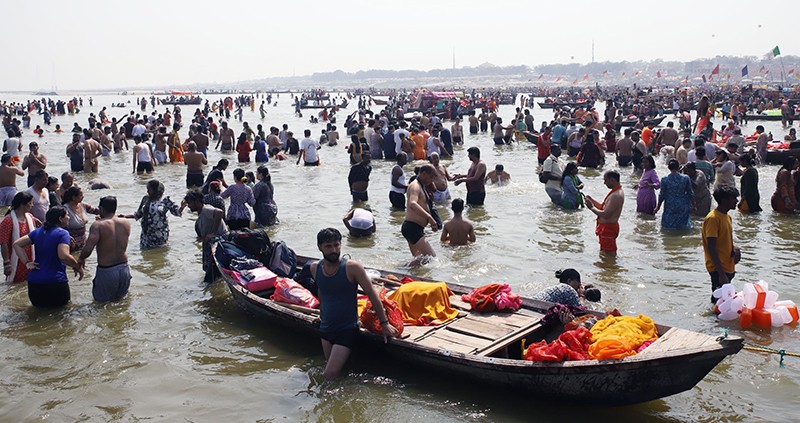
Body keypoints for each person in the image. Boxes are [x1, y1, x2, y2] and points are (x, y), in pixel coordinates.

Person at [310, 228, 398, 379]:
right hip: (326, 329)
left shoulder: (352, 268)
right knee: (334, 372)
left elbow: (372, 294)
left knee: (329, 374)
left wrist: (384, 323)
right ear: (320, 247)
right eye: (328, 246)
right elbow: (322, 292)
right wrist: (321, 314)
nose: (334, 250)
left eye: (336, 245)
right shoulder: (315, 268)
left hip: (346, 329)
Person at [12, 206, 83, 307]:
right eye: (67, 215)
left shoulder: (38, 231)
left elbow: (17, 244)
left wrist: (27, 263)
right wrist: (77, 266)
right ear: (60, 219)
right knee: (60, 316)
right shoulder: (63, 233)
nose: (69, 218)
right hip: (54, 282)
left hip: (34, 282)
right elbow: (63, 256)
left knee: (38, 314)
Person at [77, 196, 132, 302]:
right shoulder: (126, 222)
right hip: (124, 269)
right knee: (122, 302)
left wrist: (80, 259)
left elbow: (88, 249)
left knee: (101, 306)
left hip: (107, 270)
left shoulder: (98, 225)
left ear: (101, 209)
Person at [702, 186, 741, 302]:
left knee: (725, 300)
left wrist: (735, 249)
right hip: (718, 268)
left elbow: (724, 239)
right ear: (724, 200)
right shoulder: (713, 218)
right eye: (733, 198)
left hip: (727, 265)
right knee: (718, 301)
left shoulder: (727, 217)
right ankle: (712, 319)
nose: (736, 201)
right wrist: (721, 273)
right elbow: (711, 247)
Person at [182, 190, 227, 283]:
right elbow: (204, 238)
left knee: (209, 280)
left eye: (190, 203)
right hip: (211, 246)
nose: (188, 206)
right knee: (214, 277)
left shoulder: (206, 209)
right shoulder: (201, 215)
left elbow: (219, 212)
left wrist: (214, 233)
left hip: (219, 244)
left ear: (197, 201)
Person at [121, 180, 181, 249]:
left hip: (159, 235)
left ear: (156, 190)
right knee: (146, 256)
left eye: (149, 190)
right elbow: (138, 214)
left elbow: (177, 212)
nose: (147, 191)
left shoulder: (166, 200)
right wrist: (125, 216)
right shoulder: (146, 199)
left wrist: (182, 207)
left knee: (159, 255)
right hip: (146, 235)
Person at [0, 192, 39, 283]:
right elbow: (3, 243)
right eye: (30, 203)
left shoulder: (30, 217)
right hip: (16, 260)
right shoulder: (8, 220)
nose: (32, 205)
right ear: (22, 204)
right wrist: (7, 263)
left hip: (29, 257)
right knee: (15, 283)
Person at [402, 164, 439, 259]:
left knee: (419, 259)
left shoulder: (422, 186)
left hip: (415, 228)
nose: (432, 180)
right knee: (431, 258)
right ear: (423, 174)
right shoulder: (415, 186)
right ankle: (401, 269)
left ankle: (401, 270)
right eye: (431, 177)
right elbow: (412, 204)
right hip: (412, 228)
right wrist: (429, 218)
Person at [586, 171, 625, 254]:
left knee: (609, 254)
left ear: (612, 180)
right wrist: (591, 200)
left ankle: (610, 267)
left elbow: (606, 214)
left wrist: (591, 207)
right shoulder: (615, 192)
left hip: (608, 229)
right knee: (604, 253)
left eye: (605, 180)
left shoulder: (616, 195)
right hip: (606, 229)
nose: (604, 183)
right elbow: (602, 208)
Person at [654, 159, 693, 230]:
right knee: (683, 226)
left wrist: (658, 207)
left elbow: (662, 195)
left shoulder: (664, 179)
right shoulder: (685, 178)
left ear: (668, 168)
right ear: (678, 167)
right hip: (682, 204)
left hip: (670, 205)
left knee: (668, 227)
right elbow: (690, 193)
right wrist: (694, 205)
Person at [532, 269, 601, 307]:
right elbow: (581, 309)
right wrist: (582, 295)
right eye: (578, 284)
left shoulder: (558, 288)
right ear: (569, 281)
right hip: (538, 308)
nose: (579, 288)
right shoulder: (568, 289)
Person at [61, 186, 99, 252]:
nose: (83, 196)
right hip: (70, 242)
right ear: (73, 197)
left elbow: (97, 211)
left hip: (83, 241)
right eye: (80, 195)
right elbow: (59, 225)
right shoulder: (65, 209)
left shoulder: (83, 205)